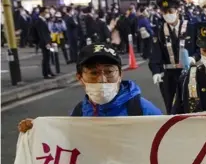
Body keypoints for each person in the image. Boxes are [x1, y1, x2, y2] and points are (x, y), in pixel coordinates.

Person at [17, 44, 162, 132]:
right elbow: (65, 147)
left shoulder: (143, 110)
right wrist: (37, 131)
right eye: (93, 73)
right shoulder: (78, 113)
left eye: (109, 72)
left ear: (120, 75)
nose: (102, 79)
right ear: (80, 78)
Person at [150, 0, 197, 112]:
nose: (167, 15)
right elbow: (156, 53)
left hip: (189, 72)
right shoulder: (160, 31)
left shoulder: (191, 27)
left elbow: (200, 48)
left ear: (177, 10)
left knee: (191, 104)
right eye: (164, 13)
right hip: (169, 75)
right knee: (171, 106)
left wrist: (194, 58)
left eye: (170, 11)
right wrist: (156, 71)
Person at [34, 9, 55, 79]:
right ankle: (45, 73)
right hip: (44, 43)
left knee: (48, 57)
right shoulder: (39, 21)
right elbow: (42, 34)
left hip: (47, 41)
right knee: (45, 58)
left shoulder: (43, 20)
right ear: (42, 13)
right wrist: (47, 43)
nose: (47, 13)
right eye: (46, 12)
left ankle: (49, 72)